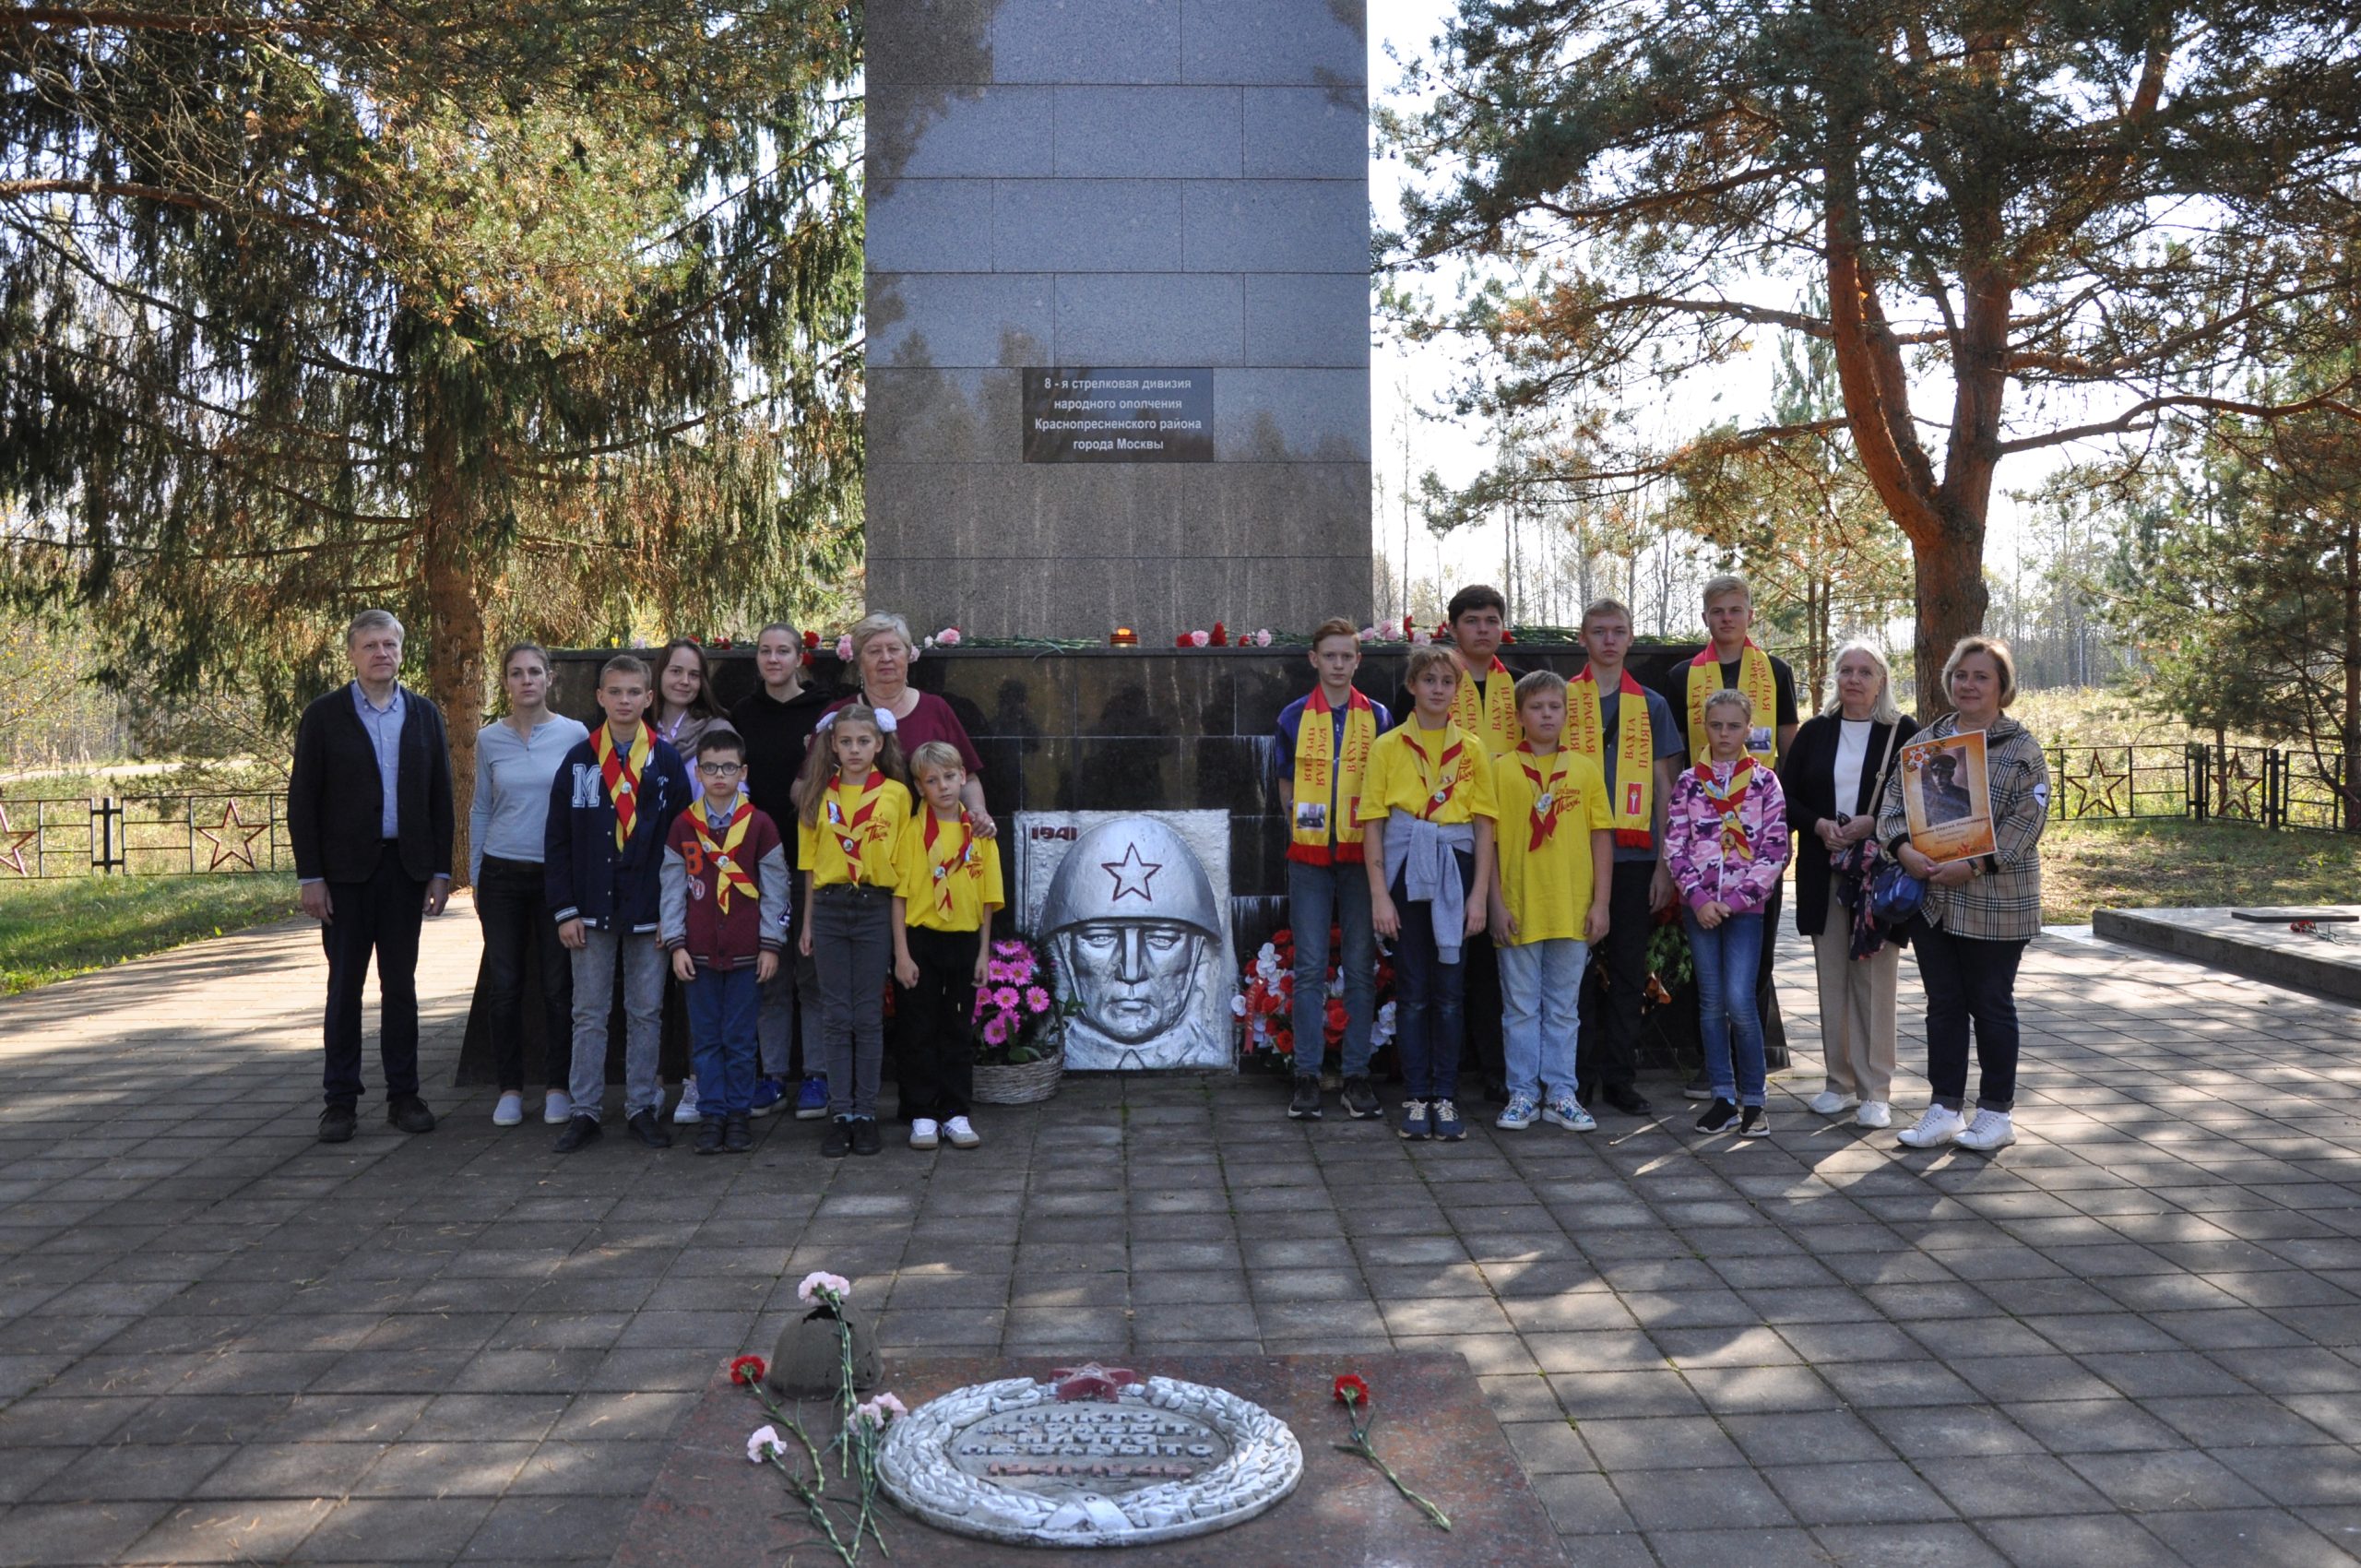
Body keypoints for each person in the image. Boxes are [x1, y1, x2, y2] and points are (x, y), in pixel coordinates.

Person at [290, 609, 455, 1145]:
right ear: (352, 654)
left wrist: (439, 871)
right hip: (344, 877)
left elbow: (440, 800)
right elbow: (303, 802)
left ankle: (404, 1096)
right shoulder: (324, 716)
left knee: (401, 987)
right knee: (344, 988)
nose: (381, 653)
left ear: (401, 651)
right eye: (370, 646)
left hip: (404, 872)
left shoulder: (425, 715)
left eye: (390, 645)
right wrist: (311, 876)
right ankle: (339, 1101)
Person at [1880, 636, 2049, 1153]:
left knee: (1992, 1006)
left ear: (2002, 687)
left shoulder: (2020, 748)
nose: (1968, 685)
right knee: (1943, 1006)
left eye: (1981, 677)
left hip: (1997, 902)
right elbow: (1892, 807)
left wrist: (1976, 864)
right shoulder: (1925, 745)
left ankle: (1996, 1114)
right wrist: (1904, 851)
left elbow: (2029, 819)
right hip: (1934, 901)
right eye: (1960, 675)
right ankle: (1944, 1108)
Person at [1654, 573, 1799, 1099]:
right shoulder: (1680, 676)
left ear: (1750, 615)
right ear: (1706, 619)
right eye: (1718, 612)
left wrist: (1783, 824)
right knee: (1707, 966)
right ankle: (1710, 1066)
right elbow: (1670, 755)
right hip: (1700, 838)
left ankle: (1749, 1063)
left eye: (1737, 610)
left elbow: (1790, 747)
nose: (1727, 619)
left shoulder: (1777, 672)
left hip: (1758, 843)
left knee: (1753, 961)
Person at [545, 654, 693, 1154]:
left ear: (649, 699)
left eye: (635, 692)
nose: (625, 701)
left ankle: (641, 1107)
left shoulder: (666, 761)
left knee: (646, 1012)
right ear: (600, 698)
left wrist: (672, 917)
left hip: (649, 911)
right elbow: (559, 840)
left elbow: (681, 847)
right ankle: (584, 1110)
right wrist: (564, 909)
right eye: (616, 692)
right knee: (588, 1012)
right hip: (589, 910)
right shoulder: (581, 759)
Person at [1361, 643, 1498, 1144]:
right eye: (1429, 681)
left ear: (1457, 691)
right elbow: (1373, 825)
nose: (1438, 689)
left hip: (1455, 870)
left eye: (1447, 682)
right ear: (1412, 687)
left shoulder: (1474, 749)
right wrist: (1380, 895)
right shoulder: (1388, 747)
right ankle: (1417, 1096)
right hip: (1403, 868)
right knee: (1414, 992)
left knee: (1450, 992)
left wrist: (1479, 895)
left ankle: (1446, 1094)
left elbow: (1484, 827)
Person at [1783, 641, 1917, 1129]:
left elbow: (1921, 799)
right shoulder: (1817, 732)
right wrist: (1818, 825)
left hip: (1878, 875)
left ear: (1882, 679)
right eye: (1846, 670)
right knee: (1831, 978)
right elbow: (1786, 795)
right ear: (1835, 678)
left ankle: (1875, 1089)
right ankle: (1838, 1084)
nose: (1854, 679)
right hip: (1824, 871)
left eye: (1865, 671)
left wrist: (1874, 824)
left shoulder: (1903, 732)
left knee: (1875, 981)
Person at [1566, 598, 1685, 1117]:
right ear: (1582, 639)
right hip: (1571, 856)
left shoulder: (1653, 705)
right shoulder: (1561, 699)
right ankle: (1577, 1075)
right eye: (1599, 631)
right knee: (1574, 970)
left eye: (1618, 631)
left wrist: (1665, 864)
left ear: (1631, 638)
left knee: (1628, 970)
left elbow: (1665, 789)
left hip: (1636, 859)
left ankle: (1619, 1075)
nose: (1609, 640)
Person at [1272, 616, 1393, 1122]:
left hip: (1362, 856)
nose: (1339, 664)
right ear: (1314, 660)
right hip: (1311, 857)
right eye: (1331, 656)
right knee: (1309, 966)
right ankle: (1306, 1074)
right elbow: (1284, 782)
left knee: (1362, 965)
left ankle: (1357, 1076)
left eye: (1348, 656)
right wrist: (1303, 829)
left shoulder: (1380, 716)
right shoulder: (1294, 716)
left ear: (1358, 661)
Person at [468, 642, 589, 1128]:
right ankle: (510, 1089)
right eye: (516, 673)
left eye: (535, 672)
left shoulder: (575, 734)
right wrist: (477, 877)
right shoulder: (487, 739)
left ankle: (559, 1086)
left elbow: (583, 810)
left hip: (555, 880)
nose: (526, 681)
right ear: (505, 682)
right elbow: (480, 808)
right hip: (501, 876)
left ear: (550, 678)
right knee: (506, 986)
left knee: (559, 987)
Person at [1486, 671, 1612, 1134]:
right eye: (1536, 707)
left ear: (1566, 714)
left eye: (1554, 707)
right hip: (1519, 906)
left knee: (1563, 1007)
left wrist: (1601, 902)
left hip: (1572, 906)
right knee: (1519, 1006)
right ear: (1519, 715)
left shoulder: (1584, 769)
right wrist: (1494, 903)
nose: (1545, 715)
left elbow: (1602, 839)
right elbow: (1490, 844)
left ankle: (1561, 1092)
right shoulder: (1498, 769)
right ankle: (1522, 1091)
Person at [1665, 690, 1791, 1137]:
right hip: (1699, 908)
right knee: (1711, 1004)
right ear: (1705, 726)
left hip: (1745, 910)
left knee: (1741, 1002)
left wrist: (1735, 900)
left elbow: (1776, 850)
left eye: (1733, 726)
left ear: (1748, 728)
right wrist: (1698, 899)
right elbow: (1675, 845)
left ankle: (1754, 1099)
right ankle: (1722, 1097)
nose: (1723, 734)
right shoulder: (1688, 782)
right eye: (1715, 725)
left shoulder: (1764, 783)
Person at [660, 730, 789, 1156]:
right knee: (706, 1039)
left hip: (747, 953)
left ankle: (738, 1115)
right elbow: (672, 887)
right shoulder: (683, 825)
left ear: (743, 772)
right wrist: (676, 943)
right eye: (711, 768)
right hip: (696, 954)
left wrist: (771, 943)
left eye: (728, 767)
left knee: (738, 1039)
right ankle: (712, 1115)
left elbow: (776, 889)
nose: (719, 775)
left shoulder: (760, 825)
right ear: (698, 772)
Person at [730, 621, 837, 1122]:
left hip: (813, 860)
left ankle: (816, 1076)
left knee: (812, 972)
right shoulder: (742, 717)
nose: (773, 660)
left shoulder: (822, 715)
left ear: (800, 659)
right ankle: (772, 1077)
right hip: (754, 864)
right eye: (765, 651)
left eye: (783, 652)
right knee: (768, 975)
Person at [795, 703, 912, 1158]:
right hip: (828, 907)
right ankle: (839, 1113)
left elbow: (903, 866)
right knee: (834, 1014)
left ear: (879, 745)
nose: (855, 749)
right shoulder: (818, 794)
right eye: (846, 742)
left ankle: (866, 1113)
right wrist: (806, 922)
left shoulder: (897, 795)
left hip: (873, 908)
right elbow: (809, 865)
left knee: (866, 1015)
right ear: (833, 745)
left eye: (864, 741)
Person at [1427, 585, 1519, 1105]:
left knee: (1493, 964)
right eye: (1472, 621)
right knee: (1447, 958)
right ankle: (1445, 1072)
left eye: (1491, 620)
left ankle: (1495, 1067)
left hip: (1515, 835)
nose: (1483, 629)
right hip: (1451, 839)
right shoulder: (1433, 684)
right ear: (1453, 627)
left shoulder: (1521, 684)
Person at [891, 741, 1003, 1151]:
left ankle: (955, 1111)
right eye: (932, 781)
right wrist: (902, 954)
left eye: (951, 777)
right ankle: (921, 1112)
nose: (943, 787)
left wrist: (982, 953)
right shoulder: (910, 832)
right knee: (918, 1027)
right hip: (921, 939)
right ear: (919, 788)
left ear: (963, 778)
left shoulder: (980, 833)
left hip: (963, 939)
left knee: (957, 1027)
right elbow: (899, 897)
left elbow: (989, 899)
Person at [832, 612, 993, 836]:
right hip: (857, 847)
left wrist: (977, 812)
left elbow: (969, 778)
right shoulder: (838, 714)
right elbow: (805, 786)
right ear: (859, 660)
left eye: (894, 649)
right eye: (874, 651)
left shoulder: (935, 709)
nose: (885, 658)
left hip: (930, 845)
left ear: (908, 655)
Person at [651, 637, 724, 1124]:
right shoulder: (633, 724)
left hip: (697, 867)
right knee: (647, 984)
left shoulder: (715, 732)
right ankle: (650, 1082)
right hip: (639, 868)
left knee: (695, 980)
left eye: (693, 674)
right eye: (675, 670)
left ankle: (699, 1083)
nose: (683, 681)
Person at [1920, 752, 1975, 826]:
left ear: (1951, 773)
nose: (1938, 778)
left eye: (1943, 773)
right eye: (1935, 773)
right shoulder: (1929, 799)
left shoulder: (1964, 795)